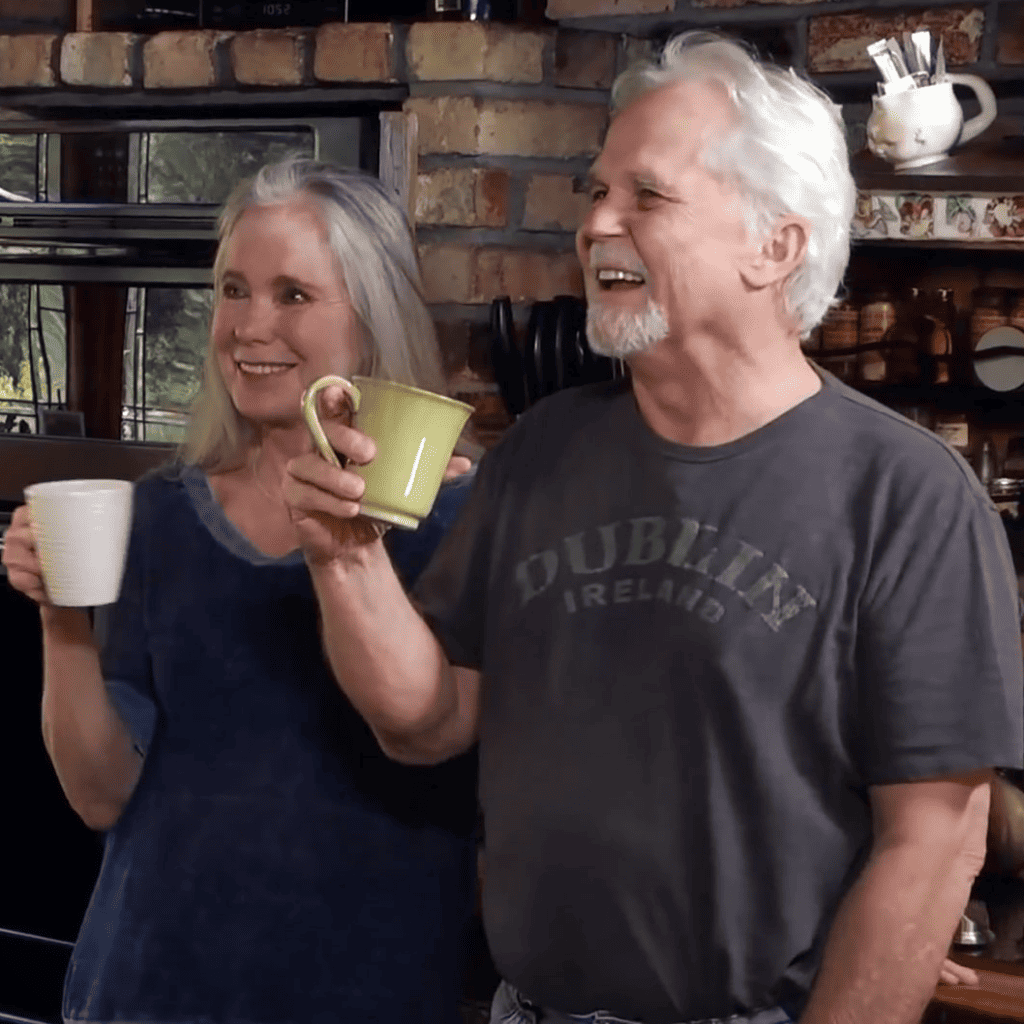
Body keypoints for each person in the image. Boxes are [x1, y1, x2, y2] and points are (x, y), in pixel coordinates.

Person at [266, 31, 1024, 1024]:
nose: (595, 227)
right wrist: (344, 556)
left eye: (646, 197)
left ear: (775, 245)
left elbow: (933, 842)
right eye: (593, 193)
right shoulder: (542, 451)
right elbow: (425, 722)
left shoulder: (905, 496)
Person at [2, 157, 480, 1024]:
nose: (250, 326)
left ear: (371, 319)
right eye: (233, 289)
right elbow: (100, 796)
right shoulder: (156, 517)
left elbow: (432, 734)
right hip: (144, 992)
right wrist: (60, 617)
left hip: (364, 995)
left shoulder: (460, 519)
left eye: (294, 295)